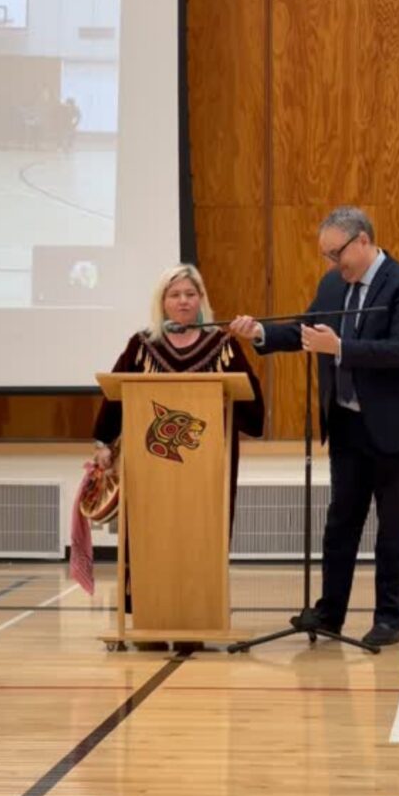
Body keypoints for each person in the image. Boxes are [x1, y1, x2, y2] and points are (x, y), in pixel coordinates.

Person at [230, 206, 399, 647]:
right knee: (341, 523)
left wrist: (341, 347)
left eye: (336, 254)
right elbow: (307, 331)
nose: (332, 263)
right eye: (327, 255)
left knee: (395, 528)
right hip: (348, 425)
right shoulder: (333, 285)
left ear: (362, 240)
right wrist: (260, 334)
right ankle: (330, 613)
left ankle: (388, 619)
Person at [92, 262, 265, 651]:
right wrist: (103, 442)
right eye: (175, 295)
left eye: (190, 294)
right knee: (150, 537)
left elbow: (252, 409)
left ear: (201, 300)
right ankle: (151, 619)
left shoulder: (222, 346)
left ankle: (195, 621)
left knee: (201, 536)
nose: (183, 301)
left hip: (207, 471)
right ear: (162, 301)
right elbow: (115, 399)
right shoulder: (142, 346)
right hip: (150, 471)